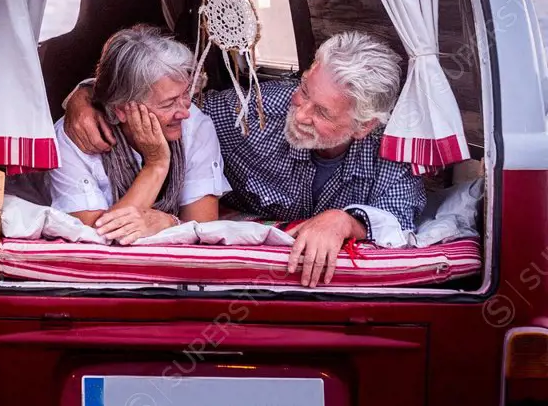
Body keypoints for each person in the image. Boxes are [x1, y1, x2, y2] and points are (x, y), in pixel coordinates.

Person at [64, 30, 425, 287]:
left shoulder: (392, 149)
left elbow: (402, 214)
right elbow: (166, 102)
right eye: (303, 92)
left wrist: (344, 222)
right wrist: (86, 96)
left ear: (364, 126)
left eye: (323, 113)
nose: (299, 114)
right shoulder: (256, 113)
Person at [47, 25, 230, 245]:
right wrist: (156, 164)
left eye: (185, 95)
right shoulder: (74, 140)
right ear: (122, 110)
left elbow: (204, 228)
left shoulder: (195, 125)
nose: (184, 111)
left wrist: (169, 223)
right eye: (169, 103)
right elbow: (101, 240)